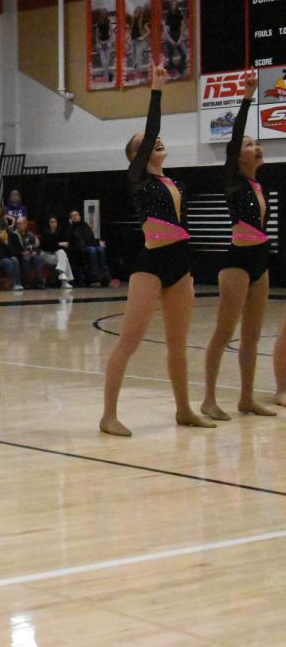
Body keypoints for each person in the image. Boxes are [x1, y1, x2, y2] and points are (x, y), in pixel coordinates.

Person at [100, 63, 213, 437]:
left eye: (155, 143)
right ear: (135, 155)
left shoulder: (172, 181)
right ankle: (108, 415)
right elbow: (151, 133)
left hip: (181, 264)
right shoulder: (136, 178)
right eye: (145, 144)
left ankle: (184, 409)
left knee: (178, 345)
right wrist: (157, 91)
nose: (154, 144)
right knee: (129, 341)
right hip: (150, 265)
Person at [204, 72, 276, 419]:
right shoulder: (232, 181)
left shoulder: (258, 185)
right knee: (224, 331)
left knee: (252, 335)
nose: (254, 147)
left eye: (255, 143)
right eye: (249, 145)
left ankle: (246, 398)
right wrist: (247, 98)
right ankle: (208, 399)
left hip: (261, 259)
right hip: (237, 261)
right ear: (237, 156)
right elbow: (233, 139)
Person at [67, 209, 109, 286]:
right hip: (79, 249)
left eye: (76, 215)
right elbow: (73, 241)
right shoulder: (70, 228)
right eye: (73, 216)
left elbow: (90, 237)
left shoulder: (85, 225)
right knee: (92, 250)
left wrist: (98, 242)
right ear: (71, 218)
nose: (75, 217)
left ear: (79, 216)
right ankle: (96, 276)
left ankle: (104, 275)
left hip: (89, 246)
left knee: (100, 249)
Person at [39, 216, 74, 290]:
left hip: (56, 255)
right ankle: (64, 281)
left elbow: (66, 245)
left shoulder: (60, 232)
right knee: (64, 258)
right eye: (51, 222)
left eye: (55, 222)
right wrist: (59, 244)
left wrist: (58, 245)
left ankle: (62, 274)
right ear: (49, 223)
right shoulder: (45, 232)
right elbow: (46, 246)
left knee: (62, 253)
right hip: (46, 255)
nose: (53, 224)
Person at [0, 227, 23, 291]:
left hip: (6, 258)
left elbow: (13, 253)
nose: (4, 234)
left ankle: (18, 283)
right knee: (7, 261)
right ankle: (13, 283)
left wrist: (6, 243)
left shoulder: (8, 240)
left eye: (5, 232)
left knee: (15, 260)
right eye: (2, 232)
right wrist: (7, 255)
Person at [15, 217, 43, 288]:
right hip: (19, 256)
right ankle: (26, 282)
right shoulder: (14, 235)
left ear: (25, 224)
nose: (18, 225)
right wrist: (22, 253)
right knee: (26, 259)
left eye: (20, 224)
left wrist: (35, 252)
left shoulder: (31, 235)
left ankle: (39, 282)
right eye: (17, 224)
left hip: (30, 255)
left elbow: (38, 247)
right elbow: (12, 249)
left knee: (38, 258)